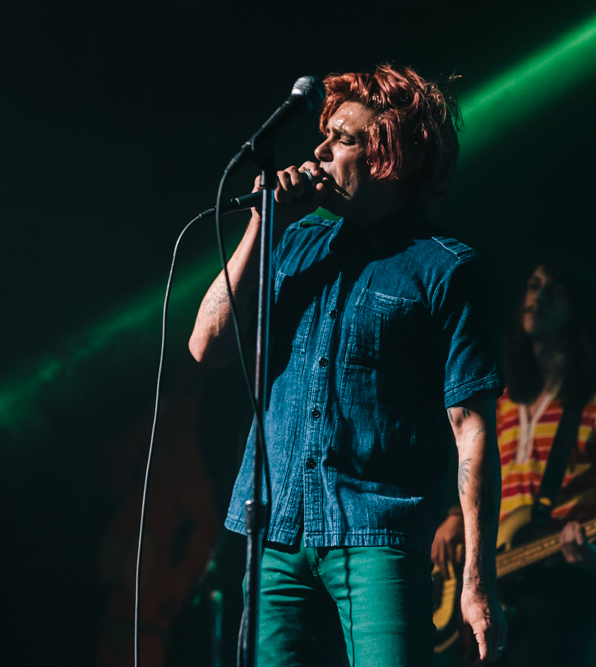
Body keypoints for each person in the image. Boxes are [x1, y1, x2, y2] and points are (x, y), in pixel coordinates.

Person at [188, 65, 507, 667]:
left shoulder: (445, 268)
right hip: (276, 532)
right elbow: (207, 345)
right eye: (324, 135)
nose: (320, 151)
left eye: (343, 138)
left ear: (388, 156)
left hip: (377, 535)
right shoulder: (294, 241)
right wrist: (262, 223)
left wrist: (477, 581)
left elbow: (472, 428)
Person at [431, 258, 596, 666]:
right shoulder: (503, 397)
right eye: (534, 286)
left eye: (557, 291)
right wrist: (454, 518)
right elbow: (480, 474)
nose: (539, 297)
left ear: (579, 310)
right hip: (491, 573)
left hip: (555, 583)